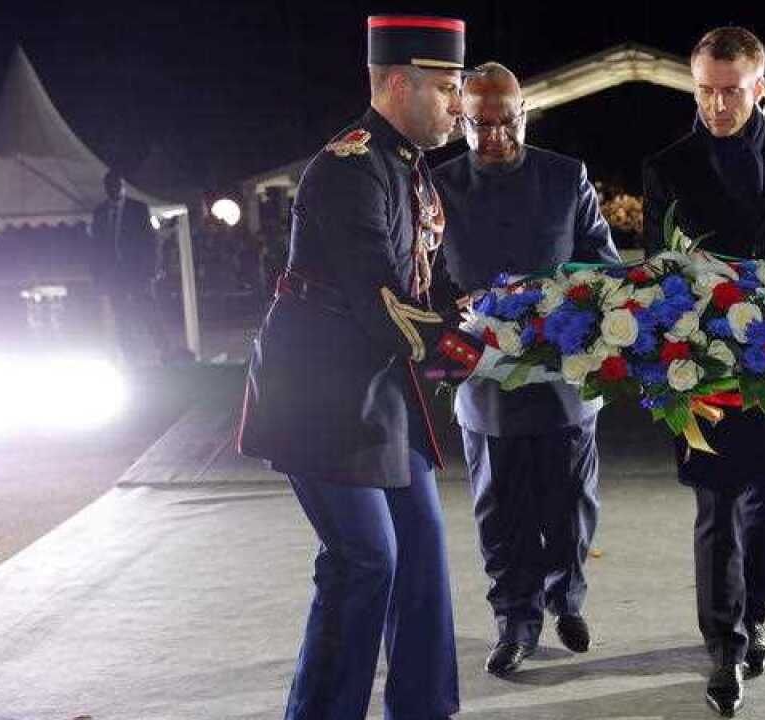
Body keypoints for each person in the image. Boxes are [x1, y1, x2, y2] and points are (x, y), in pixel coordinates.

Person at [237, 14, 484, 720]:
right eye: (446, 89)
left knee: (421, 556)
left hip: (377, 392)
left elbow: (426, 287)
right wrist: (474, 348)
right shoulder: (347, 169)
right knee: (364, 562)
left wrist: (502, 319)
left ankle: (424, 708)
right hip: (317, 396)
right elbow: (386, 303)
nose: (457, 104)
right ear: (399, 83)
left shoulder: (406, 169)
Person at [641, 26, 765, 717]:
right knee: (716, 502)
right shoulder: (667, 164)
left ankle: (755, 617)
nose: (717, 105)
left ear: (760, 87)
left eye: (731, 91)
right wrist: (664, 366)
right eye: (705, 90)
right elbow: (656, 279)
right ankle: (723, 643)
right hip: (704, 363)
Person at [432, 62, 620, 677]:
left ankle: (566, 599)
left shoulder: (567, 178)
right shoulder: (437, 186)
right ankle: (514, 619)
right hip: (484, 379)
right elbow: (422, 281)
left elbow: (603, 263)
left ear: (524, 115)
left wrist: (567, 299)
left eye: (505, 123)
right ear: (460, 119)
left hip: (563, 374)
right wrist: (450, 310)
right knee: (500, 510)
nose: (493, 137)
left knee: (569, 503)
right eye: (479, 125)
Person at [90, 170, 169, 364]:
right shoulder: (100, 213)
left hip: (137, 272)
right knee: (121, 315)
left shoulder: (138, 209)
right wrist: (99, 276)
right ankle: (130, 354)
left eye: (116, 186)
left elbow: (150, 240)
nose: (113, 190)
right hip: (113, 274)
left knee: (147, 309)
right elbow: (96, 246)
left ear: (123, 187)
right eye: (109, 187)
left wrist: (151, 269)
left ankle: (164, 349)